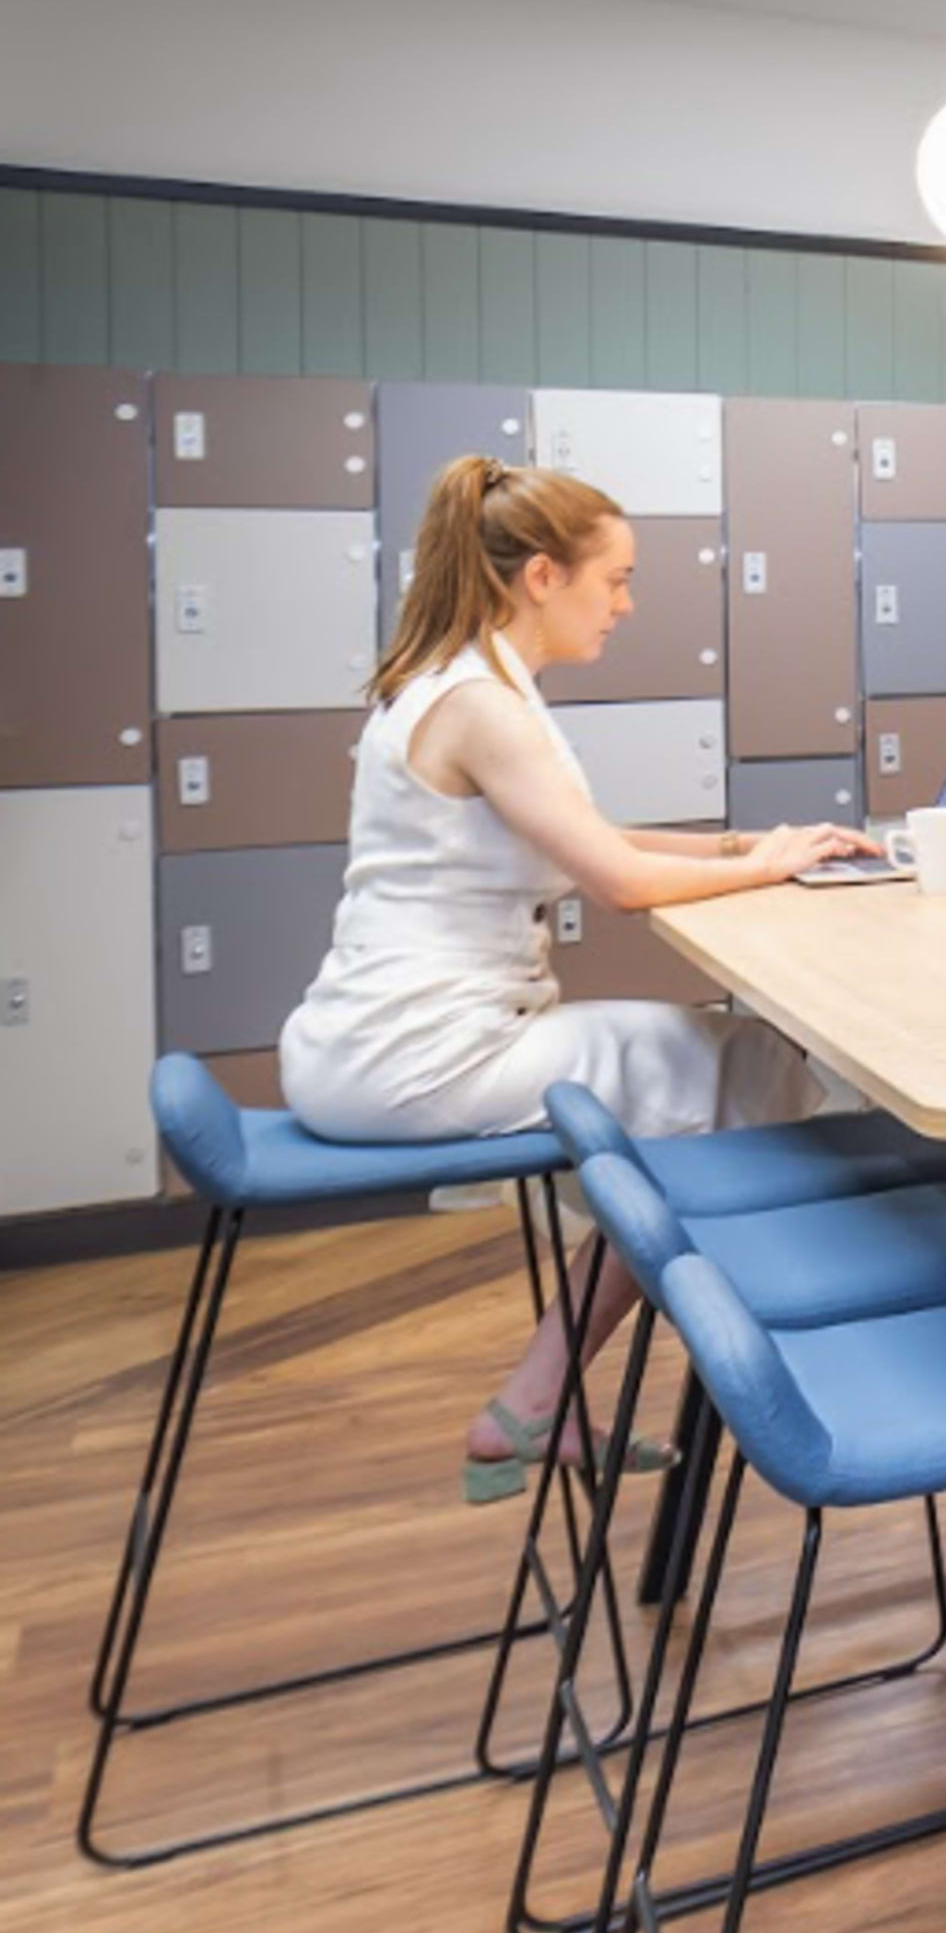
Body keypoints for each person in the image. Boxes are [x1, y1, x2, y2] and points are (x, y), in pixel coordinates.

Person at [280, 455, 873, 1501]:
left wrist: (739, 846)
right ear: (543, 577)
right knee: (739, 1068)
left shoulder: (451, 683)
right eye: (617, 579)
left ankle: (536, 1398)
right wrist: (771, 865)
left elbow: (579, 835)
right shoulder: (482, 705)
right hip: (421, 1055)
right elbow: (619, 882)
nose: (627, 604)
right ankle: (816, 1362)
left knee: (688, 1097)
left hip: (372, 1041)